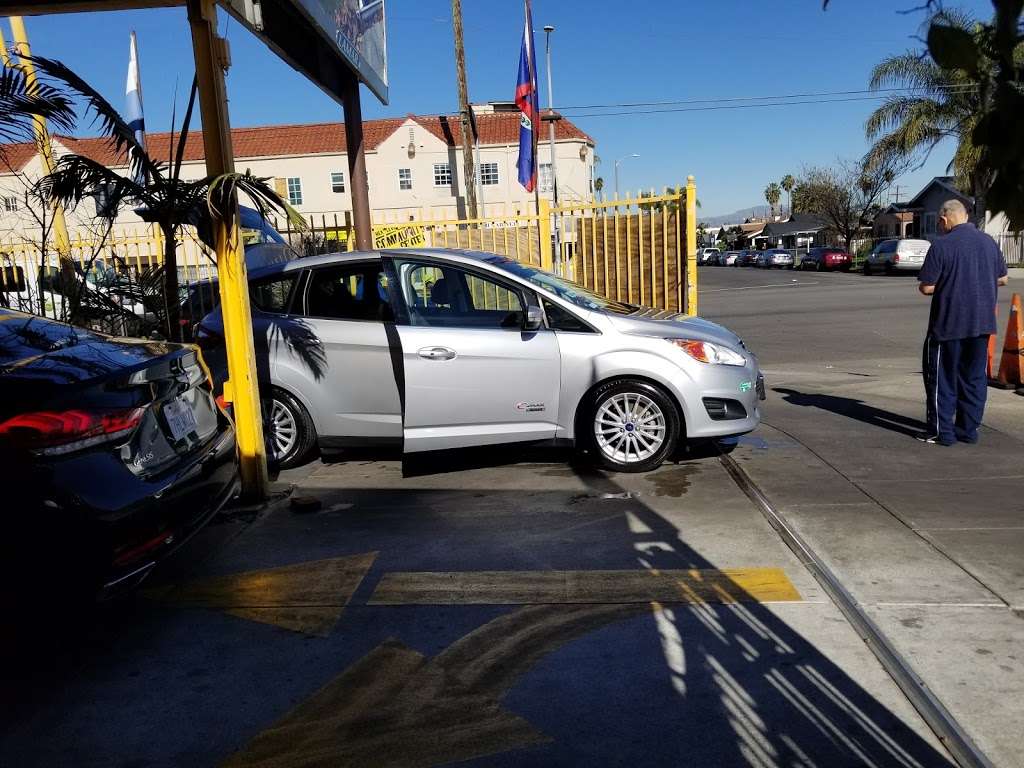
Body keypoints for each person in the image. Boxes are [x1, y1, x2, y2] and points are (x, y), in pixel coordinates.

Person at [916, 199, 1009, 445]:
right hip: (982, 323)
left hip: (949, 324)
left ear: (945, 219)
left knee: (941, 378)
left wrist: (953, 283)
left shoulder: (941, 246)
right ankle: (968, 430)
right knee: (974, 378)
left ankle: (941, 432)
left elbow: (926, 287)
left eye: (939, 221)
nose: (939, 225)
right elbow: (1003, 279)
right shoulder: (988, 242)